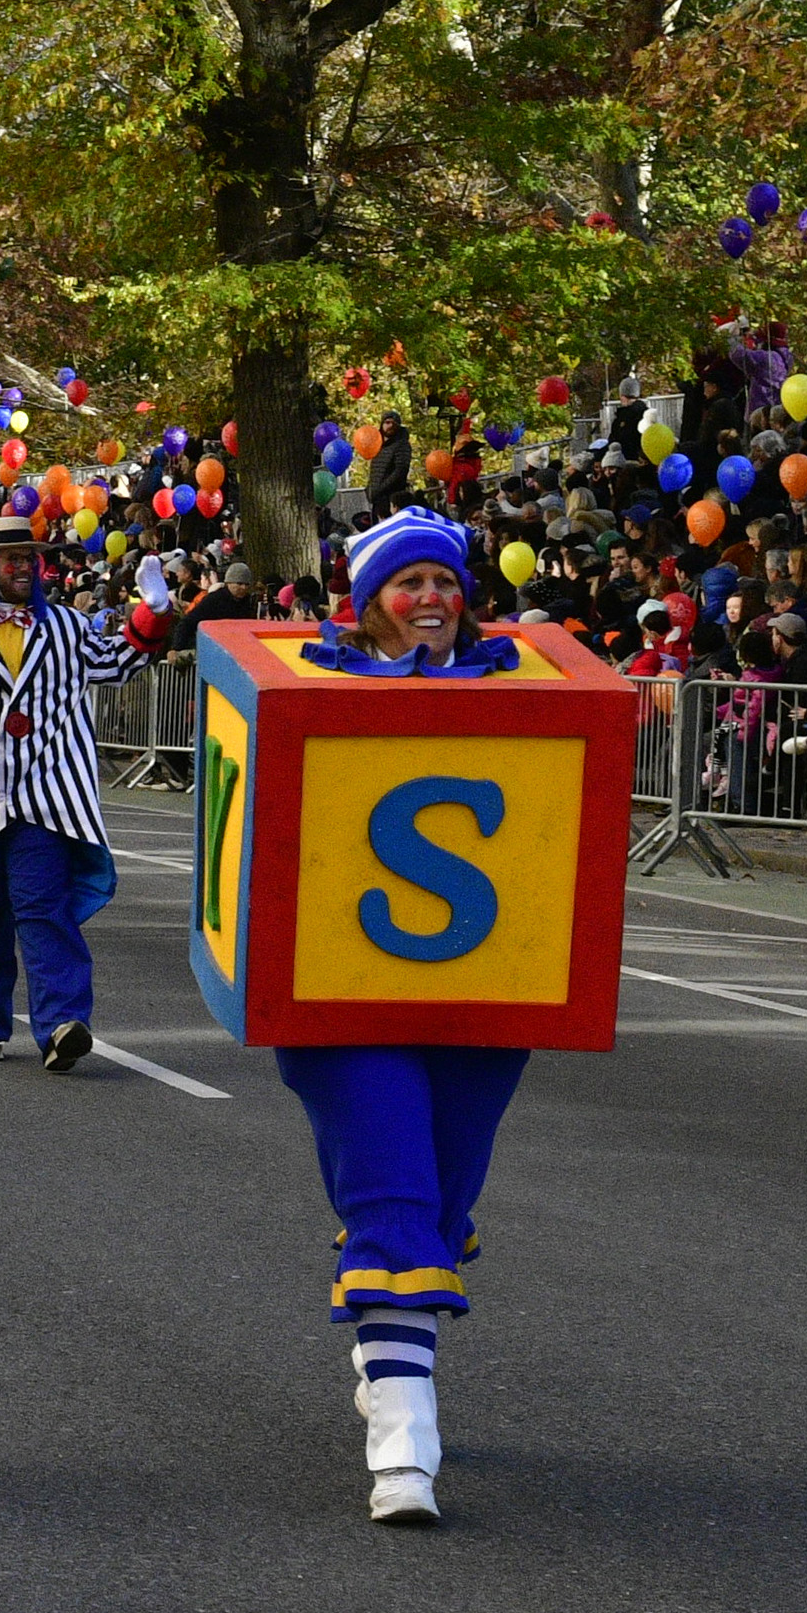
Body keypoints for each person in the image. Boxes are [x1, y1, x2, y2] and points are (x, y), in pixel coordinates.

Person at [271, 512, 551, 1527]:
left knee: (435, 1195)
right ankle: (403, 1444)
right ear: (367, 601)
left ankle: (390, 1365)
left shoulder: (520, 675)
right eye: (407, 582)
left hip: (481, 990)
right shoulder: (309, 673)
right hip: (339, 990)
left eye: (443, 578)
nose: (429, 596)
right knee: (392, 1195)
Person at [0, 506, 136, 1070]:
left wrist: (154, 617)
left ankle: (63, 1021)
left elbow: (116, 663)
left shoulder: (66, 626)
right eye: (14, 559)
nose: (26, 569)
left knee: (43, 907)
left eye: (30, 560)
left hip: (46, 792)